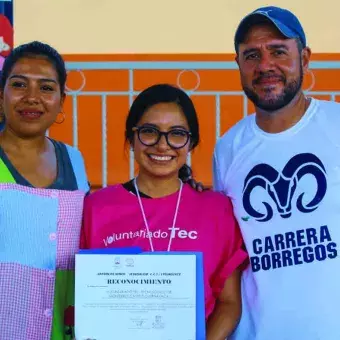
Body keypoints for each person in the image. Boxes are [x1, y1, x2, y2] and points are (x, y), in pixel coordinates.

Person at [81, 83, 248, 339]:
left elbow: (229, 304)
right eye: (149, 131)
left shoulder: (217, 209)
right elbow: (83, 298)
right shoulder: (96, 207)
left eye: (177, 134)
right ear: (131, 137)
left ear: (191, 143)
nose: (162, 145)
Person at [213, 6, 340, 340]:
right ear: (239, 65)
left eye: (278, 51)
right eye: (252, 55)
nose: (265, 65)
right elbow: (229, 253)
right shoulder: (227, 149)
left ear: (305, 58)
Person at [0, 41, 89, 339]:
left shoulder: (74, 159)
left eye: (47, 88)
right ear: (2, 95)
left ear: (62, 99)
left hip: (62, 325)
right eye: (19, 84)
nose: (32, 98)